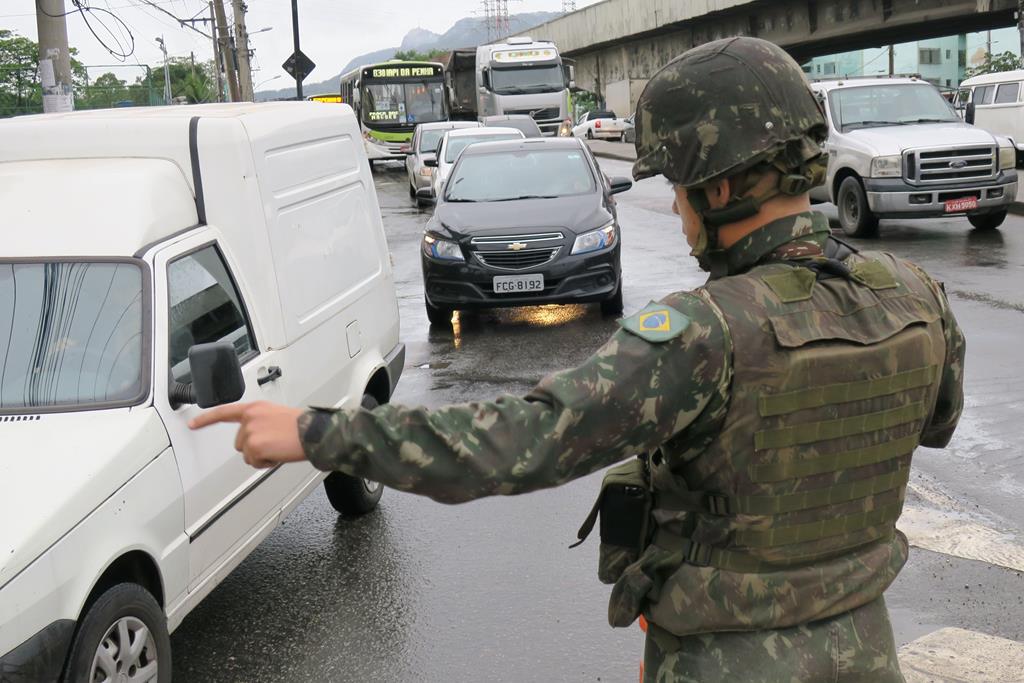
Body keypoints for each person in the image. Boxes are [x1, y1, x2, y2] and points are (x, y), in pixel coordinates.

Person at [191, 37, 965, 682]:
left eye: (683, 188)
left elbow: (514, 443)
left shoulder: (706, 333)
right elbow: (936, 424)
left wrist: (318, 434)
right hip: (866, 648)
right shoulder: (918, 296)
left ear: (725, 185)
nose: (673, 207)